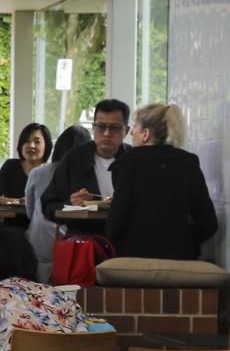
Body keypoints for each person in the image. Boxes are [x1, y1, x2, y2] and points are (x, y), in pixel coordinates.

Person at [108, 103, 218, 259]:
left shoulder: (127, 164)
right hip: (181, 259)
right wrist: (183, 241)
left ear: (146, 134)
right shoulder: (188, 163)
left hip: (134, 259)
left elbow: (116, 223)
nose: (131, 132)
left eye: (135, 127)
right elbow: (209, 223)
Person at [41, 99, 131, 235]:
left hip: (125, 240)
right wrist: (71, 204)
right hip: (85, 241)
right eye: (101, 127)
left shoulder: (133, 160)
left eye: (115, 128)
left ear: (127, 130)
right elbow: (48, 206)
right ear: (93, 128)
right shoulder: (74, 159)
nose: (107, 133)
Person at [25, 125, 90, 281]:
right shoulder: (87, 177)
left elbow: (30, 210)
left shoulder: (37, 173)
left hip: (37, 245)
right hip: (72, 248)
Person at [0, 123, 52, 203]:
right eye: (27, 141)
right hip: (12, 215)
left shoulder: (52, 171)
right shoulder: (10, 166)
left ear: (47, 145)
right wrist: (17, 201)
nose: (31, 145)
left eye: (37, 142)